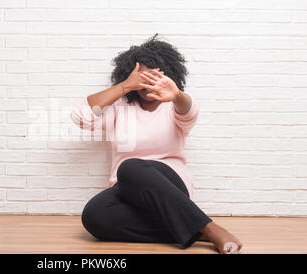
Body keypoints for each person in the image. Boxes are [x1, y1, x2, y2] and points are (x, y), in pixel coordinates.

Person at [70, 33, 243, 254]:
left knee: (131, 166)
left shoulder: (174, 106)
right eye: (142, 76)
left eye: (155, 76)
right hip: (126, 189)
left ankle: (210, 229)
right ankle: (194, 228)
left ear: (169, 76)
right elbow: (81, 116)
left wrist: (176, 94)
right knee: (94, 215)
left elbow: (189, 110)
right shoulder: (120, 108)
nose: (148, 82)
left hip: (171, 183)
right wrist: (125, 86)